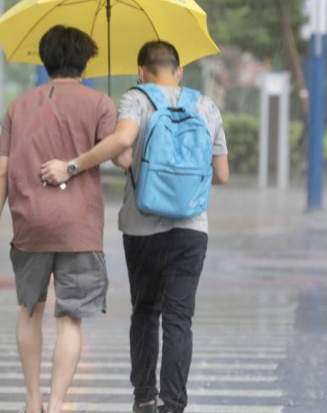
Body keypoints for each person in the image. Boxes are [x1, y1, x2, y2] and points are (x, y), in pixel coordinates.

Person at [39, 41, 230, 413]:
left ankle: (144, 397)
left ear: (141, 70)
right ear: (179, 73)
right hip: (192, 229)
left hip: (142, 229)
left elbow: (123, 148)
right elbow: (221, 174)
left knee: (145, 311)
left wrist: (73, 165)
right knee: (179, 318)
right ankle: (172, 404)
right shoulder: (206, 106)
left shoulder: (136, 98)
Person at [0, 25, 116, 413]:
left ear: (45, 60)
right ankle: (56, 405)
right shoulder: (99, 102)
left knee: (30, 310)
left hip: (29, 224)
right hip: (80, 226)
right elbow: (118, 152)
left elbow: (1, 175)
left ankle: (32, 399)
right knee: (70, 319)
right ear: (84, 62)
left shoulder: (18, 106)